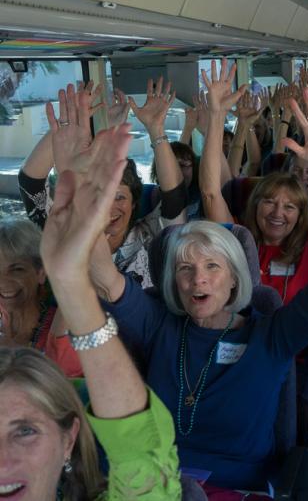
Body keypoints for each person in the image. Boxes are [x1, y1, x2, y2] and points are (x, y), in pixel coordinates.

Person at [86, 61, 308, 494]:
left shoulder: (271, 336)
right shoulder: (159, 324)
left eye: (213, 267)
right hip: (153, 483)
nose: (199, 280)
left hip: (237, 488)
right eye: (186, 268)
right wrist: (91, 181)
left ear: (235, 280)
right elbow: (101, 271)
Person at [0, 123, 181, 501]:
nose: (3, 461)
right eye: (101, 196)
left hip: (126, 386)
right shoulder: (57, 241)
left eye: (25, 431)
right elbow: (33, 187)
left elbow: (175, 201)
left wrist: (72, 283)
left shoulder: (151, 241)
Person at [199, 60, 308, 304]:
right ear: (255, 204)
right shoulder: (240, 239)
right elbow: (210, 194)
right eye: (269, 202)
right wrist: (216, 116)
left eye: (290, 207)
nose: (277, 213)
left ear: (302, 213)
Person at [18, 79, 187, 288]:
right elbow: (31, 183)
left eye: (119, 197)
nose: (108, 206)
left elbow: (174, 197)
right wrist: (64, 129)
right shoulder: (64, 232)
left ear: (134, 203)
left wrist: (156, 128)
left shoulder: (149, 235)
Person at [0, 217, 83, 377]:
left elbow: (55, 388)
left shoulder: (64, 330)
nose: (3, 281)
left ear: (41, 273)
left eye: (17, 269)